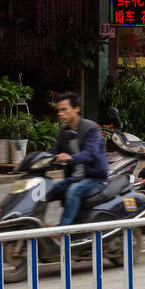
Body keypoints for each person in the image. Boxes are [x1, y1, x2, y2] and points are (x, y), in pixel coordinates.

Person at [46, 92, 109, 227]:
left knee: (74, 190)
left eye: (64, 109)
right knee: (48, 190)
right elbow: (54, 150)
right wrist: (39, 159)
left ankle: (64, 230)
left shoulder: (90, 128)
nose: (60, 113)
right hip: (76, 178)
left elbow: (90, 153)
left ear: (76, 109)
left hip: (95, 178)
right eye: (59, 110)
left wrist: (71, 158)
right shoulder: (64, 130)